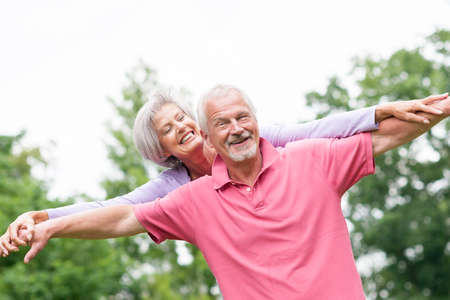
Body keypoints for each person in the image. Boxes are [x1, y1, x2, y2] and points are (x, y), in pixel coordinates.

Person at [6, 86, 449, 299]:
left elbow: (324, 131)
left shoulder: (279, 146)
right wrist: (46, 218)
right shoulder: (179, 193)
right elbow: (115, 212)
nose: (183, 128)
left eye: (183, 119)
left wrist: (379, 110)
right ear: (161, 150)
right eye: (169, 129)